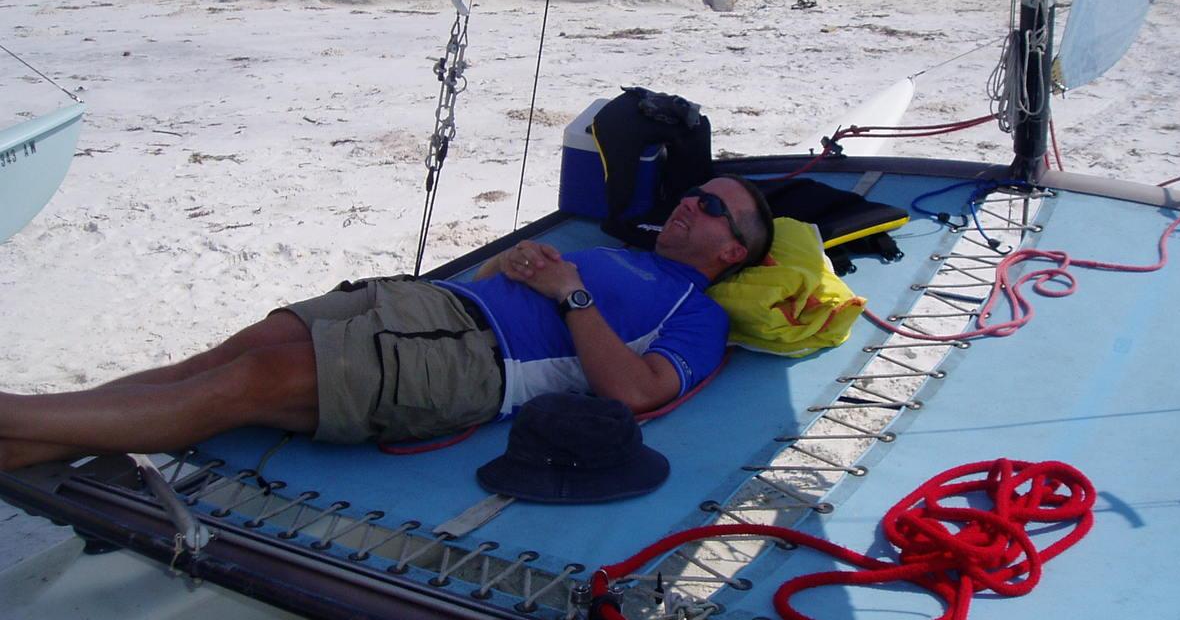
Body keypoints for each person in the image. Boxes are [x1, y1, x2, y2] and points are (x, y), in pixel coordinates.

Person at [0, 176, 773, 471]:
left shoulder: (699, 316)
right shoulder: (613, 248)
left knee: (253, 382)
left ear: (732, 248)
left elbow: (635, 392)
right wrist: (518, 265)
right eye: (693, 192)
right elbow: (511, 281)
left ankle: (12, 414)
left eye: (710, 207)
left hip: (472, 365)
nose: (687, 202)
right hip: (431, 304)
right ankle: (22, 441)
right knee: (232, 352)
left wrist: (571, 295)